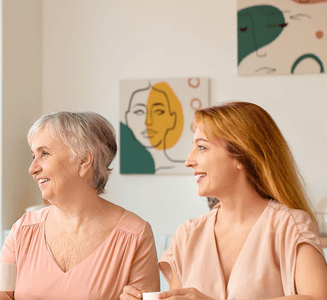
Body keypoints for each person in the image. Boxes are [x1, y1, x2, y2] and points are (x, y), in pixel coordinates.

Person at [123, 101, 327, 300]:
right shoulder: (187, 235)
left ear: (241, 155)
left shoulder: (291, 226)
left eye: (201, 147)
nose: (188, 161)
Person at [0, 111, 160, 300]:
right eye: (33, 156)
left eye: (44, 154)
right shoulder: (23, 229)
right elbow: (0, 297)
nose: (32, 169)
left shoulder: (135, 235)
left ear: (84, 160)